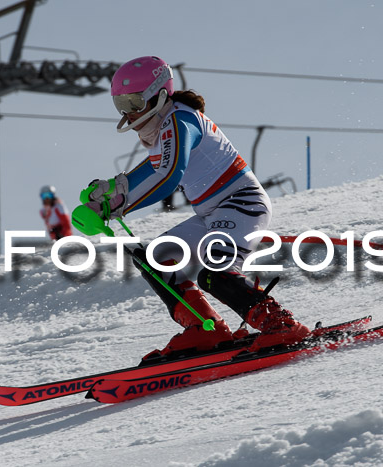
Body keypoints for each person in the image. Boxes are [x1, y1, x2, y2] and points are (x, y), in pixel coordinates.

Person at [81, 56, 310, 360]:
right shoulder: (162, 126)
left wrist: (120, 205)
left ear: (160, 94)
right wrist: (110, 195)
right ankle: (206, 329)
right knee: (156, 259)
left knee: (215, 270)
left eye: (135, 101)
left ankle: (281, 324)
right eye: (121, 104)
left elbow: (168, 175)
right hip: (211, 213)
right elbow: (148, 172)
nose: (129, 112)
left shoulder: (181, 120)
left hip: (241, 204)